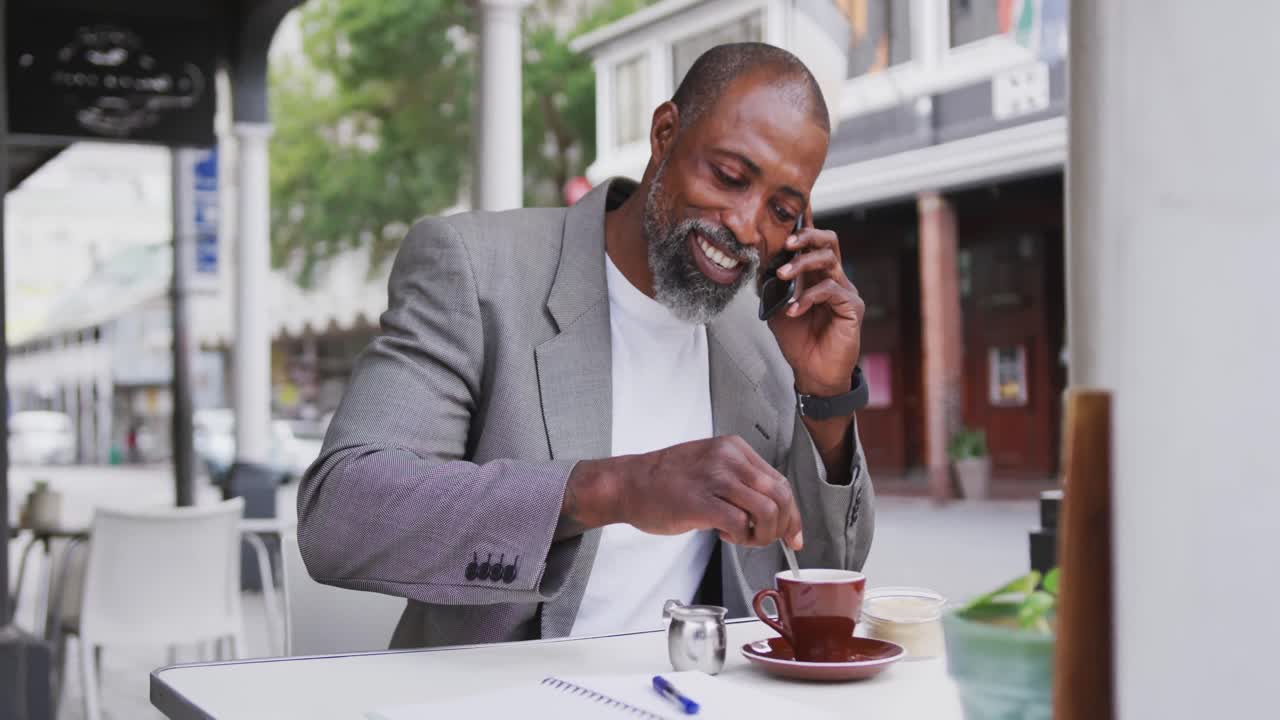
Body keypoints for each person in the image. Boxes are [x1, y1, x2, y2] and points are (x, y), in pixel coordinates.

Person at [298, 42, 876, 650]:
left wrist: (827, 395)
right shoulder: (476, 269)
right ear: (664, 133)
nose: (747, 224)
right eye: (730, 177)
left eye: (782, 211)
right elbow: (341, 513)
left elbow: (826, 568)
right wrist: (617, 488)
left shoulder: (761, 334)